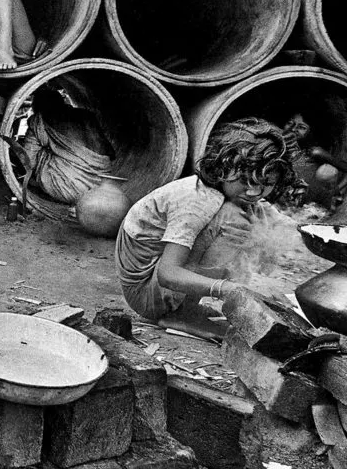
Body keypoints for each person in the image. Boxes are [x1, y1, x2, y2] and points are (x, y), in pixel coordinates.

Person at [115, 118, 298, 340]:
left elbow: (292, 229)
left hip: (159, 287)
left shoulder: (232, 195)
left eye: (265, 184)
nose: (254, 192)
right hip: (148, 294)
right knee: (234, 219)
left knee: (258, 220)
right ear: (222, 167)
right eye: (244, 180)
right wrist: (226, 289)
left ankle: (186, 307)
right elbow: (167, 274)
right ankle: (183, 314)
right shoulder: (198, 201)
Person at [13, 77, 114, 205]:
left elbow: (28, 161)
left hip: (70, 188)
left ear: (37, 106)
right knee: (54, 147)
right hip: (105, 185)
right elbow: (110, 152)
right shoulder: (87, 115)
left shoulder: (39, 121)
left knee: (42, 151)